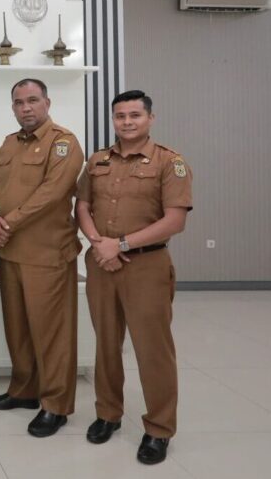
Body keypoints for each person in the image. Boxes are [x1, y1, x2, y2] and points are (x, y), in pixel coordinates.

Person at [76, 90, 192, 465]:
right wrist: (99, 244)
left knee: (152, 350)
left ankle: (159, 428)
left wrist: (120, 244)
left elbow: (174, 220)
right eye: (120, 116)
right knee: (105, 345)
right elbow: (83, 205)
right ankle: (107, 414)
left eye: (134, 115)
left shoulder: (169, 163)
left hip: (146, 266)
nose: (126, 121)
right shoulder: (96, 162)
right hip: (100, 262)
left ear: (150, 119)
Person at [0, 78, 84, 437]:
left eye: (32, 100)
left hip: (46, 254)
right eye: (19, 102)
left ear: (47, 102)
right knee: (18, 328)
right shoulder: (10, 144)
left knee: (51, 332)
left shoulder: (64, 143)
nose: (26, 107)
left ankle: (55, 405)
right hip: (10, 252)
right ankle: (24, 390)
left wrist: (6, 221)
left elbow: (52, 193)